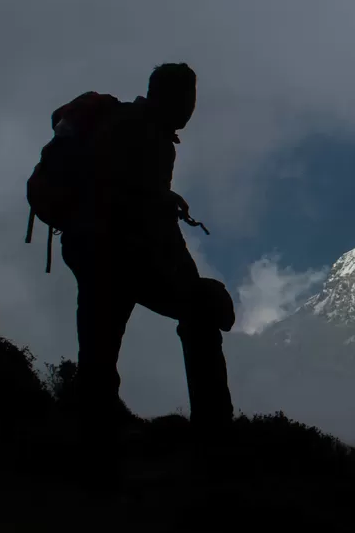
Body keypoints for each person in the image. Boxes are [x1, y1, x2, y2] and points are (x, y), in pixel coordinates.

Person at [61, 63, 235, 436]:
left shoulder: (127, 124)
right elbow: (144, 213)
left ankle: (91, 432)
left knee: (98, 347)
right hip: (114, 252)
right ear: (170, 97)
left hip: (89, 246)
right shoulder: (146, 134)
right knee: (200, 311)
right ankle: (214, 435)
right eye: (187, 98)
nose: (191, 107)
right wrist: (189, 280)